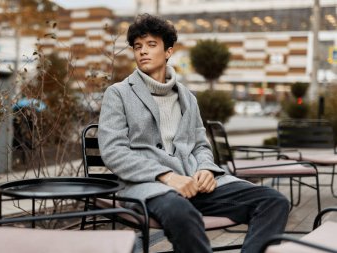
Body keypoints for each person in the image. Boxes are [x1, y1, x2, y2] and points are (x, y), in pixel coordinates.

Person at [98, 13, 289, 253]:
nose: (142, 51)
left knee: (273, 201)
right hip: (148, 186)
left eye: (151, 45)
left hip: (195, 185)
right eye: (138, 46)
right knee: (182, 212)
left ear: (168, 51)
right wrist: (166, 176)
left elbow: (200, 145)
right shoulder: (118, 94)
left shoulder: (187, 97)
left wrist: (206, 169)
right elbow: (113, 151)